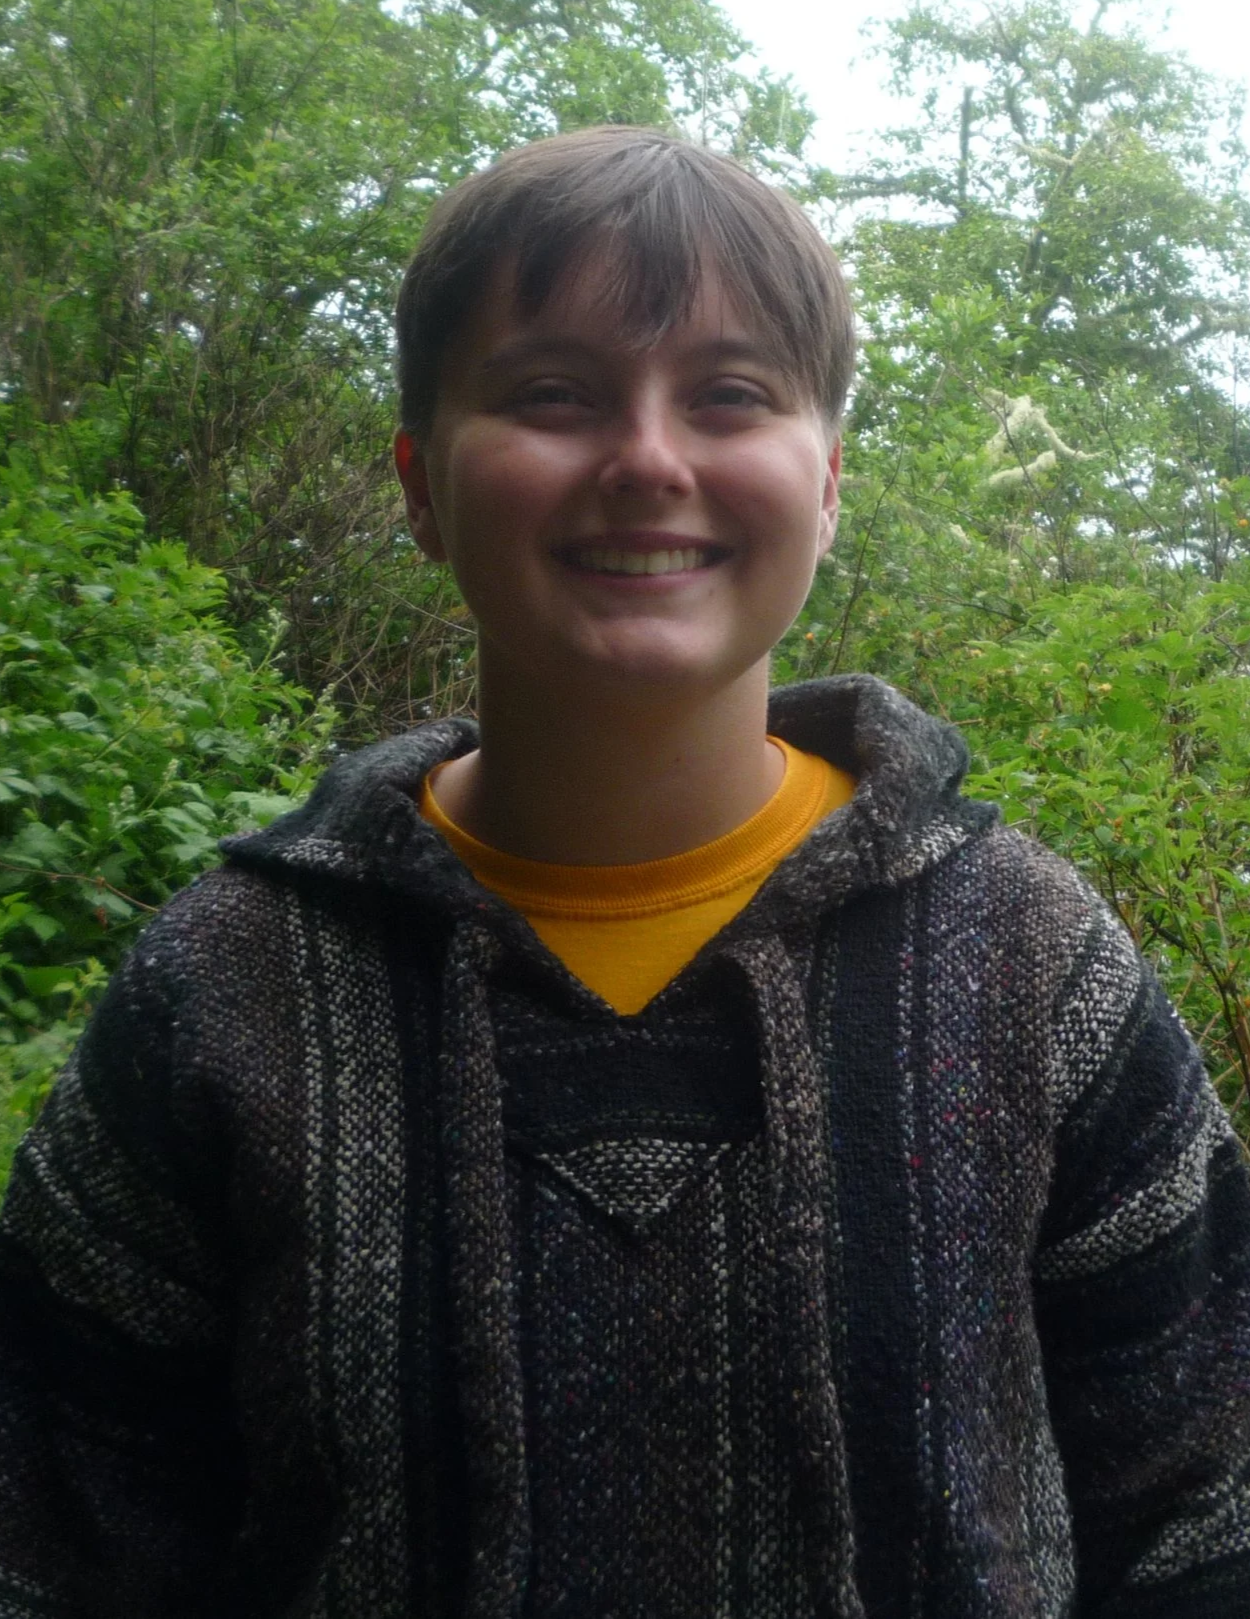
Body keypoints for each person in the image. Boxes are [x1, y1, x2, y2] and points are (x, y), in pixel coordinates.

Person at [0, 127, 1247, 1619]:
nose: (649, 459)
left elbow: (1203, 1511)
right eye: (552, 393)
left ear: (827, 485)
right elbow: (59, 1539)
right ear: (419, 484)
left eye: (730, 395)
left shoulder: (1031, 965)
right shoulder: (222, 991)